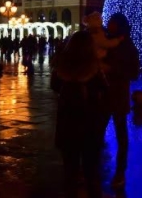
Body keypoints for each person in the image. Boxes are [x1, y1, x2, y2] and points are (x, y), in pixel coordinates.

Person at [51, 30, 109, 198]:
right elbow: (105, 91)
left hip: (67, 126)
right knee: (91, 172)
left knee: (70, 172)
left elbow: (54, 86)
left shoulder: (61, 67)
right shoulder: (95, 69)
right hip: (90, 127)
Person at [102, 12, 140, 189]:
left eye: (112, 23)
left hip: (118, 95)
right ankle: (95, 168)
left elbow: (133, 73)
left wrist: (112, 69)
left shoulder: (128, 46)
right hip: (102, 94)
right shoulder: (105, 42)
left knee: (121, 135)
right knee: (97, 132)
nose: (108, 25)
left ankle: (120, 171)